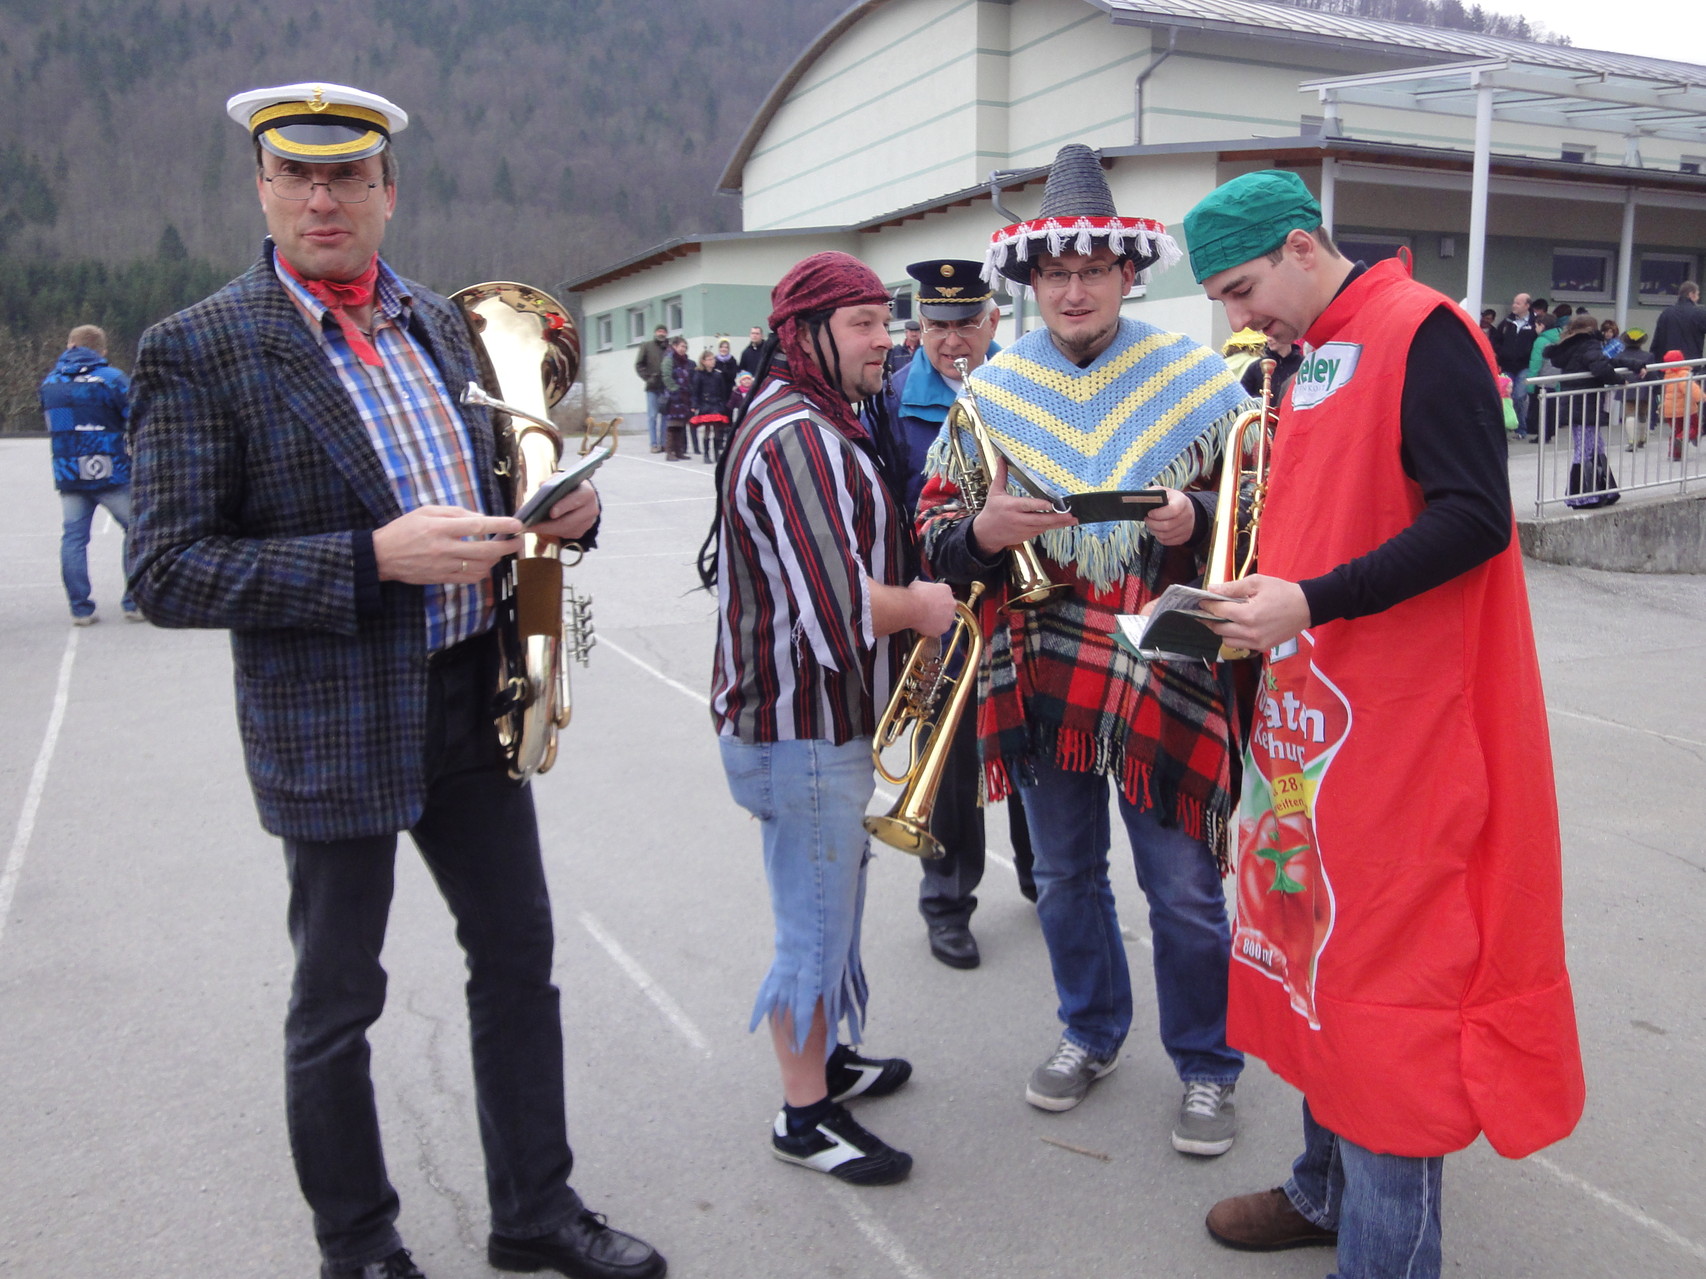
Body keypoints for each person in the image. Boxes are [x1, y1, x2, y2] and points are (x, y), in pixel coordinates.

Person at [125, 82, 665, 1279]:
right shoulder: (199, 347)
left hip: (473, 693)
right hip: (331, 721)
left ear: (388, 191)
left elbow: (499, 477)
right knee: (338, 1007)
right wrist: (369, 560)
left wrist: (557, 515)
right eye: (299, 177)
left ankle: (535, 1213)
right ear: (262, 188)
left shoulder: (438, 320)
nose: (324, 197)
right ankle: (359, 1246)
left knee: (518, 963)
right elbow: (164, 570)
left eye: (349, 177)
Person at [1183, 168, 1583, 1278]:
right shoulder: (1306, 348)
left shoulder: (1424, 331)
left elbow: (1473, 518)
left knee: (1388, 993)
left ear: (1303, 246)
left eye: (1242, 286)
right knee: (1308, 956)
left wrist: (1309, 600)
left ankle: (1386, 1252)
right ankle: (1322, 1187)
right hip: (1316, 714)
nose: (1236, 314)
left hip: (1404, 731)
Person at [918, 144, 1249, 1153]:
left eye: (1090, 271)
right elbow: (934, 525)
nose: (1071, 290)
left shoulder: (1193, 382)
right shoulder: (992, 391)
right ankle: (1089, 1029)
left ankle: (1205, 1062)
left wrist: (1192, 514)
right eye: (1053, 274)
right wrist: (980, 534)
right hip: (1044, 659)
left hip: (1163, 659)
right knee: (1063, 872)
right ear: (1029, 284)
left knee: (1182, 884)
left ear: (1125, 276)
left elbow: (1256, 509)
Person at [698, 251, 957, 1186]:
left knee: (833, 907)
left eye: (883, 321)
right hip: (800, 727)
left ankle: (829, 1059)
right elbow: (840, 610)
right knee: (812, 922)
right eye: (861, 325)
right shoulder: (797, 436)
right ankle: (804, 1115)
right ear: (804, 334)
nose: (884, 339)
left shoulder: (818, 417)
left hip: (819, 723)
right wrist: (927, 608)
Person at [885, 257, 1037, 971]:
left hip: (1027, 604)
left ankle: (1045, 874)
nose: (953, 341)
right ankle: (947, 901)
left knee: (1033, 744)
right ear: (919, 327)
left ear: (993, 322)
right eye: (938, 325)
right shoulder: (890, 404)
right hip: (943, 609)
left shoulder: (1031, 383)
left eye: (967, 323)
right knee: (947, 764)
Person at [39, 323, 142, 626]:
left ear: (70, 345)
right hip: (110, 472)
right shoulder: (112, 380)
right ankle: (133, 602)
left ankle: (80, 609)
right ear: (103, 351)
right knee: (137, 531)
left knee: (73, 538)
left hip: (69, 472)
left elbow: (53, 422)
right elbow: (134, 417)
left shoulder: (50, 383)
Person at [1549, 314, 1622, 508]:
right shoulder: (1589, 344)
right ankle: (1582, 495)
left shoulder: (1570, 346)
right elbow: (1599, 366)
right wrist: (1618, 380)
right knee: (1586, 447)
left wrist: (1633, 365)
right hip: (1585, 402)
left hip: (1575, 401)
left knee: (1595, 445)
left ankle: (1603, 489)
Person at [1493, 291, 1536, 427]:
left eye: (1518, 303)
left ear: (1527, 305)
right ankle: (1511, 425)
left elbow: (1537, 342)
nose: (1514, 305)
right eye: (1514, 302)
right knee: (1506, 396)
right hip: (1507, 366)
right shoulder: (1507, 322)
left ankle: (1520, 427)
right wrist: (1501, 353)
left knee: (1519, 396)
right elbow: (1496, 340)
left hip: (1524, 366)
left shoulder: (1535, 324)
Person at [1660, 346, 1704, 461]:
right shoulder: (1683, 374)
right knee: (1694, 427)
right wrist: (1702, 397)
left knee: (1676, 430)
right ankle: (1682, 438)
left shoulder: (1667, 375)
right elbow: (1691, 389)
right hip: (1686, 408)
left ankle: (1674, 454)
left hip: (1670, 410)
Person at [690, 347, 730, 465]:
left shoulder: (717, 375)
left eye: (713, 359)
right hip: (705, 404)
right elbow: (695, 392)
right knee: (707, 429)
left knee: (718, 429)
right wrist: (694, 405)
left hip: (716, 404)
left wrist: (723, 405)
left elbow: (723, 392)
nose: (712, 361)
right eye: (709, 359)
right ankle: (706, 454)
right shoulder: (698, 375)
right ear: (703, 361)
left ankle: (717, 453)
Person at [1651, 280, 1706, 365]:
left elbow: (1656, 341)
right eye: (1698, 294)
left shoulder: (1666, 313)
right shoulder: (1700, 313)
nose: (1698, 298)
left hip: (1667, 365)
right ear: (1691, 294)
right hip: (1691, 364)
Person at [635, 323, 670, 453]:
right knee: (652, 416)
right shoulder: (647, 346)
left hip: (666, 387)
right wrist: (648, 378)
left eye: (663, 331)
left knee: (665, 416)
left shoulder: (669, 347)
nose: (661, 333)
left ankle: (664, 443)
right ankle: (654, 444)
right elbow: (639, 364)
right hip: (652, 386)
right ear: (655, 333)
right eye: (659, 331)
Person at [660, 335, 693, 460]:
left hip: (683, 396)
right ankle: (669, 452)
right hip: (673, 397)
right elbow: (666, 377)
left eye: (685, 347)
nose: (683, 349)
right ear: (675, 346)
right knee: (672, 425)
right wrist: (674, 389)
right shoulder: (669, 359)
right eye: (681, 346)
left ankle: (679, 451)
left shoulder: (684, 360)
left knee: (680, 425)